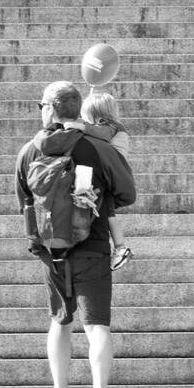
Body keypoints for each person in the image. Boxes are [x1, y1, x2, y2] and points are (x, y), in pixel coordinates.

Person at [15, 80, 136, 388]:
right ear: (77, 108)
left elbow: (22, 198)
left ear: (51, 108)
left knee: (60, 321)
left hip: (51, 249)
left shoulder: (29, 150)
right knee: (97, 326)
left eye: (41, 105)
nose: (41, 110)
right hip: (93, 244)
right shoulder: (99, 147)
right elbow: (127, 192)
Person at [79, 90, 133, 270]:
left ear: (96, 114)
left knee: (109, 214)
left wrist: (81, 127)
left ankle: (120, 247)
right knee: (108, 211)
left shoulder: (111, 127)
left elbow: (101, 135)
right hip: (111, 171)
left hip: (112, 172)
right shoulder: (112, 126)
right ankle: (119, 247)